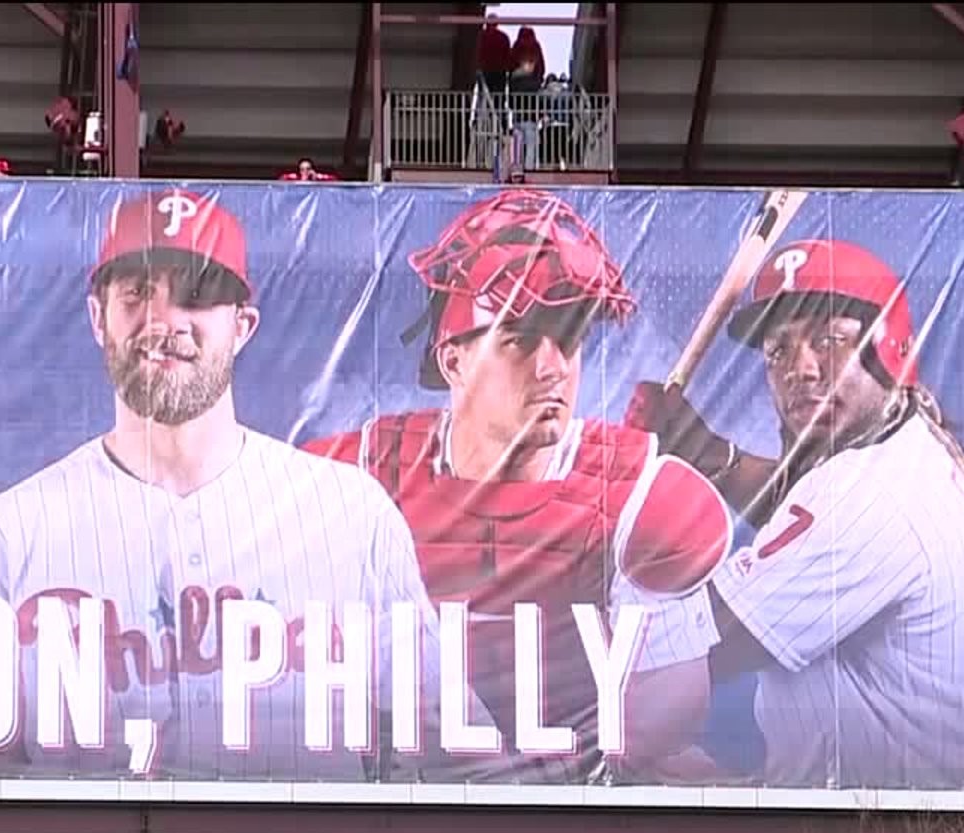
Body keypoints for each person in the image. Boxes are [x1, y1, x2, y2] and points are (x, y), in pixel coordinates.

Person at [0, 189, 485, 783]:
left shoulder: (350, 513)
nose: (164, 321)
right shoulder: (5, 532)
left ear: (243, 326)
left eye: (197, 296)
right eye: (136, 293)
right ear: (98, 318)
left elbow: (447, 738)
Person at [303, 189, 733, 785]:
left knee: (692, 780)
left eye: (570, 339)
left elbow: (671, 713)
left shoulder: (642, 494)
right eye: (521, 340)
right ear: (453, 362)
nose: (554, 366)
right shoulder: (354, 474)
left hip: (571, 820)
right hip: (401, 815)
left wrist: (554, 770)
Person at [625, 238, 964, 790]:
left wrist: (564, 631)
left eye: (829, 339)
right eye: (778, 350)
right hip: (919, 821)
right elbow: (797, 506)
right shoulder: (904, 443)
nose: (800, 367)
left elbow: (701, 644)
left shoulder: (871, 492)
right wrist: (701, 448)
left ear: (889, 349)